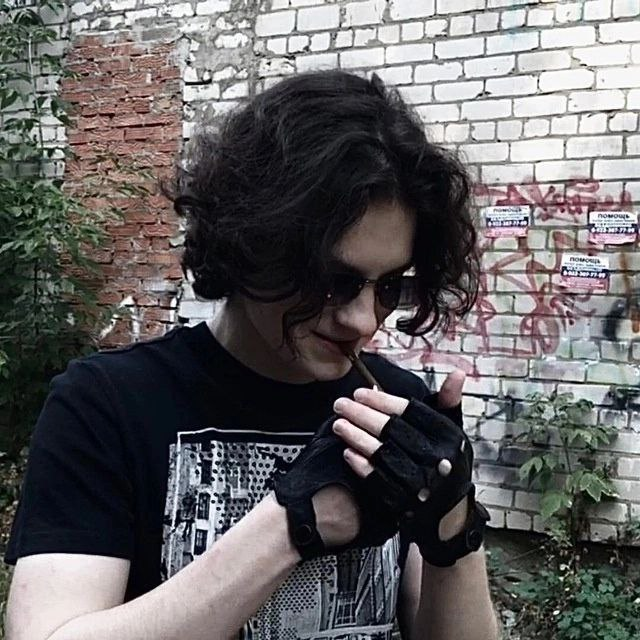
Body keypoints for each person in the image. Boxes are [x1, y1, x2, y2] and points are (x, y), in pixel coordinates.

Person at [4, 70, 498, 640]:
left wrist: (453, 527)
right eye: (334, 281)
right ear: (253, 246)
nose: (364, 320)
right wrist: (290, 525)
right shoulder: (107, 405)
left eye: (388, 286)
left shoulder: (392, 406)